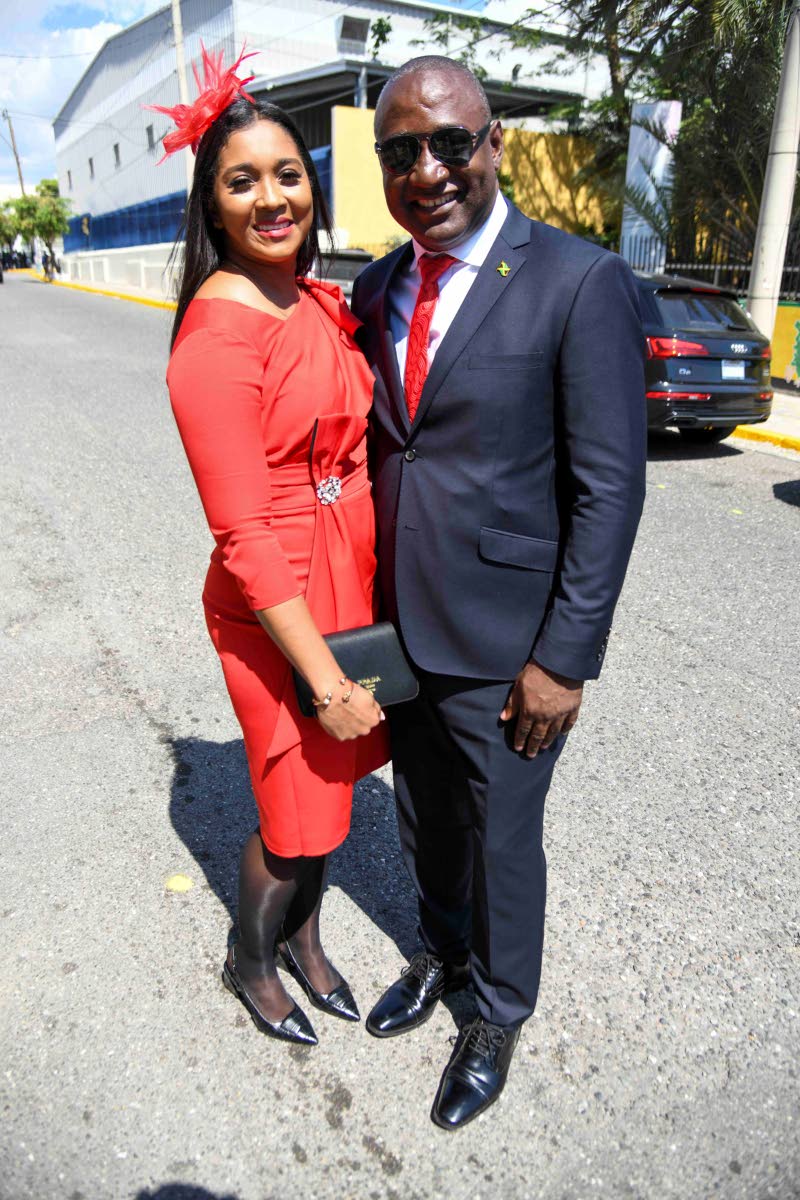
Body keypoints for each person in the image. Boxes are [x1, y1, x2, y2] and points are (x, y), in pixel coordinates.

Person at [351, 56, 647, 1129]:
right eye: (399, 151)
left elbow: (608, 490)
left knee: (501, 837)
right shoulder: (377, 286)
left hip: (509, 641)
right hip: (396, 629)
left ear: (493, 146)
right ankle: (437, 952)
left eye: (445, 142)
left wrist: (563, 658)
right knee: (421, 815)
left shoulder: (575, 280)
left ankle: (496, 1009)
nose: (424, 168)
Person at [161, 47, 388, 1047]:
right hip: (273, 604)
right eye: (241, 180)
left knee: (332, 790)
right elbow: (245, 537)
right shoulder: (216, 336)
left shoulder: (305, 297)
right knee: (294, 812)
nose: (271, 197)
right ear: (212, 207)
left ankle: (304, 942)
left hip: (339, 577)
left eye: (287, 173)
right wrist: (325, 682)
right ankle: (249, 958)